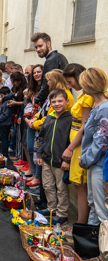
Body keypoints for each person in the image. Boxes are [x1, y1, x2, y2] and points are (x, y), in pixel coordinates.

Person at [62, 63, 92, 224]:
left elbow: (84, 126)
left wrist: (70, 148)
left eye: (70, 81)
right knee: (78, 185)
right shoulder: (83, 94)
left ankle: (80, 225)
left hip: (79, 144)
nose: (69, 85)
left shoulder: (87, 97)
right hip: (76, 142)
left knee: (80, 186)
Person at [37, 89, 72, 225]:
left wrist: (67, 160)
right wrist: (39, 153)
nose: (57, 104)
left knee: (61, 188)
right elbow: (41, 137)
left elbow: (71, 142)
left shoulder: (70, 119)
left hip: (60, 162)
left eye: (60, 101)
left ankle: (62, 214)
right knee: (48, 186)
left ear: (67, 101)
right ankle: (52, 208)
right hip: (47, 159)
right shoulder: (49, 118)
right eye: (54, 101)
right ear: (50, 103)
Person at [80, 68, 108, 225]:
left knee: (101, 210)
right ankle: (91, 245)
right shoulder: (98, 107)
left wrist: (85, 159)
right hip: (94, 163)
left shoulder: (104, 109)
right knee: (94, 204)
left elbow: (101, 142)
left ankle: (103, 248)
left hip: (99, 164)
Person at [31, 32, 68, 106]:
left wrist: (37, 99)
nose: (38, 49)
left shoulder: (51, 60)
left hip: (56, 102)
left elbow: (47, 85)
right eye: (36, 47)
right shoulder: (60, 56)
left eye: (40, 46)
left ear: (48, 44)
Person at [0, 86, 13, 157]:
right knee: (4, 138)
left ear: (6, 94)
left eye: (2, 96)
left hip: (4, 123)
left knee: (4, 139)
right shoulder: (7, 101)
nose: (1, 97)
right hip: (5, 123)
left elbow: (6, 114)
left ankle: (4, 154)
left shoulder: (7, 102)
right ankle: (4, 154)